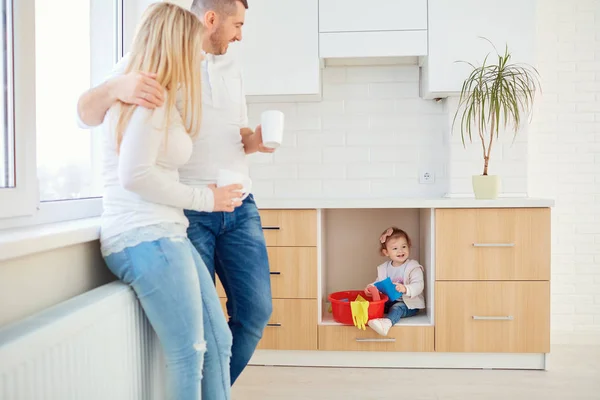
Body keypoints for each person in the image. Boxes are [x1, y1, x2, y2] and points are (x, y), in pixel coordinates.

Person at [76, 0, 273, 384]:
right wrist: (119, 85)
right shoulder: (160, 55)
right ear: (211, 19)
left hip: (237, 204)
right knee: (200, 341)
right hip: (187, 210)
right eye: (237, 24)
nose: (240, 35)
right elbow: (85, 113)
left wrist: (255, 141)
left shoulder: (232, 66)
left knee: (253, 315)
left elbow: (238, 132)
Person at [364, 227, 426, 336]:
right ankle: (369, 319)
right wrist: (371, 287)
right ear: (386, 252)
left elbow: (418, 285)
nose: (400, 251)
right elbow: (379, 282)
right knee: (376, 304)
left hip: (408, 304)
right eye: (395, 248)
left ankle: (387, 323)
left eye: (404, 246)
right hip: (390, 301)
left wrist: (406, 288)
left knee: (397, 308)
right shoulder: (384, 268)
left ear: (408, 246)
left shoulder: (413, 266)